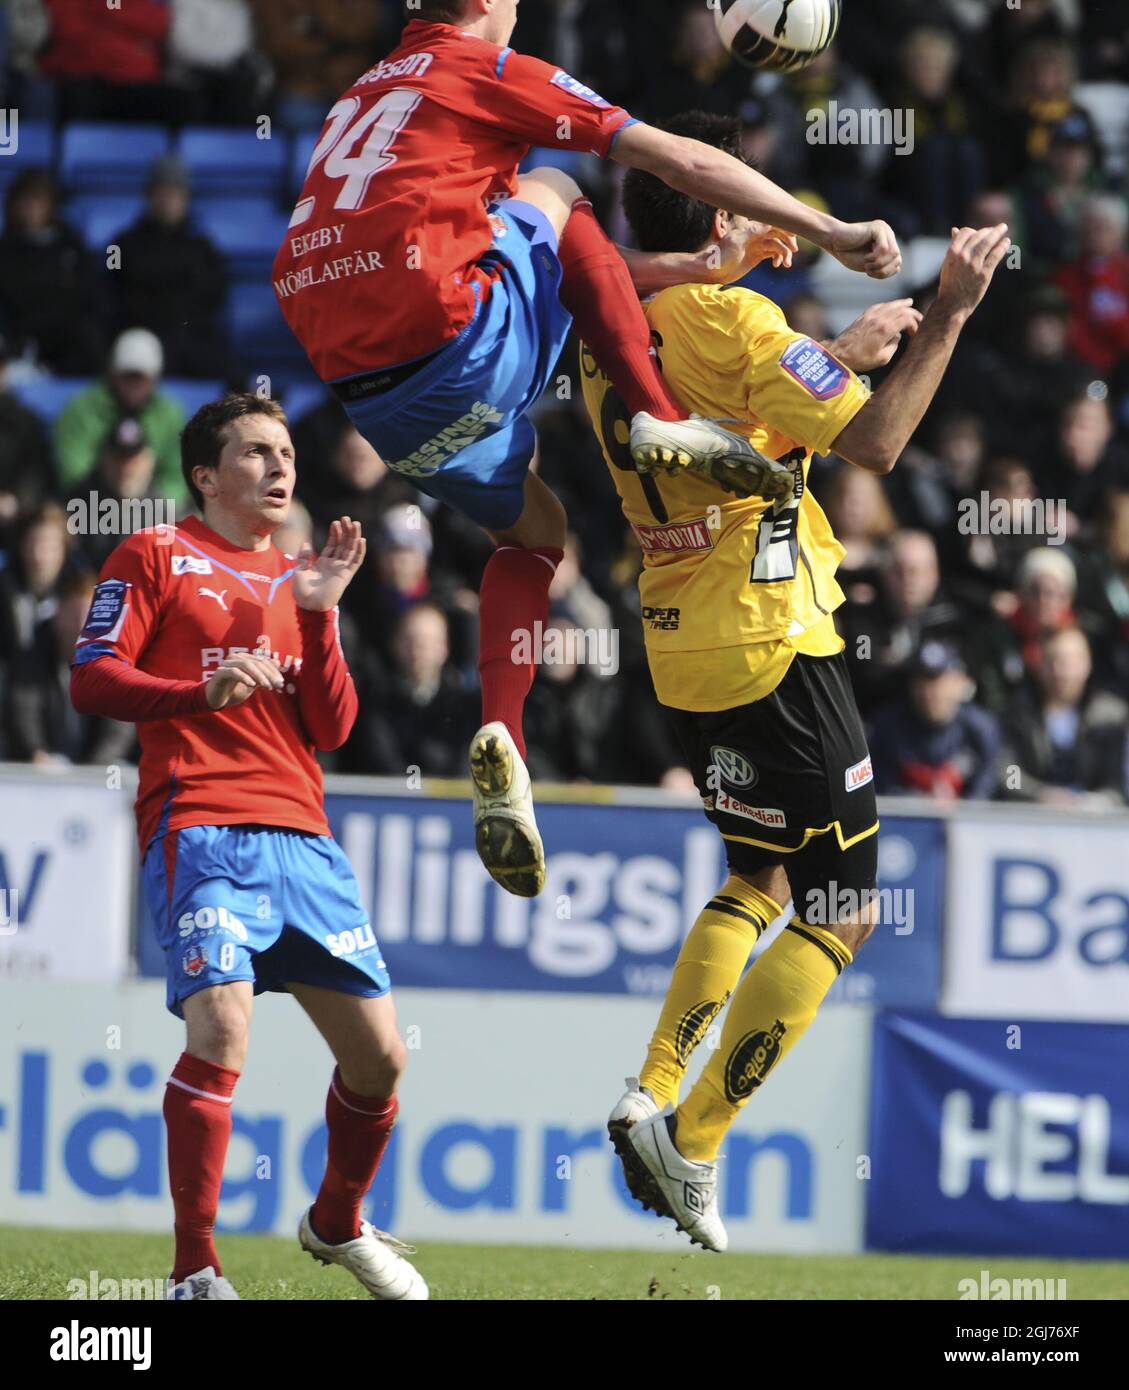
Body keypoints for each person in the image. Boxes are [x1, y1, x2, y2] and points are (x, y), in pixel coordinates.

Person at [273, 0, 902, 900]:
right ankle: (656, 413)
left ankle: (506, 741)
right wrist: (829, 233)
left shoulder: (360, 97)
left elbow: (570, 271)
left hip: (367, 386)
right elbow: (677, 160)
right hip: (444, 331)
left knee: (534, 531)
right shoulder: (482, 70)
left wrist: (692, 269)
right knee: (561, 188)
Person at [580, 110, 1009, 1251]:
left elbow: (737, 414)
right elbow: (869, 448)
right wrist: (944, 318)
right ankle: (696, 1135)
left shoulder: (604, 317)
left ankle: (649, 1089)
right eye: (746, 198)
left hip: (679, 639)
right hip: (774, 637)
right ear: (720, 209)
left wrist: (781, 300)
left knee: (760, 875)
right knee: (844, 908)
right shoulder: (734, 317)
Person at [69, 394, 426, 1301]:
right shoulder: (154, 554)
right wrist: (199, 691)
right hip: (203, 825)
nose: (281, 468)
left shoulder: (301, 577)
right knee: (224, 1025)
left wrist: (321, 617)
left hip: (304, 837)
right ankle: (195, 1271)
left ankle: (337, 1221)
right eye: (258, 452)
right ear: (204, 474)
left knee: (381, 1061)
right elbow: (92, 676)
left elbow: (332, 728)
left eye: (287, 452)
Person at [55, 329, 188, 506]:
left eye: (140, 377)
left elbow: (177, 474)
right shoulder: (82, 409)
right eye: (127, 375)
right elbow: (72, 469)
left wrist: (157, 508)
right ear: (112, 373)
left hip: (152, 506)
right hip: (91, 504)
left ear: (155, 378)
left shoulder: (169, 413)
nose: (133, 384)